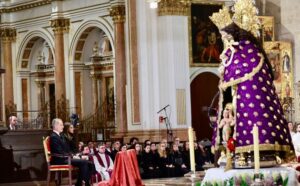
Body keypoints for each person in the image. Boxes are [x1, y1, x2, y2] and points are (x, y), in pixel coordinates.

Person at [212, 19, 294, 160]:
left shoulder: (247, 49)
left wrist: (227, 69)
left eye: (226, 36)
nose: (225, 40)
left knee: (256, 115)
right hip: (238, 96)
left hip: (253, 98)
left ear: (233, 34)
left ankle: (263, 151)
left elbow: (239, 67)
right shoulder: (239, 50)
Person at [49, 118, 91, 186]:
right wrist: (72, 156)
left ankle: (80, 184)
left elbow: (66, 149)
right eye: (61, 125)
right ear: (56, 126)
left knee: (87, 162)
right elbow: (59, 151)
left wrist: (74, 155)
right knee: (84, 162)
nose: (63, 126)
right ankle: (83, 184)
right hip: (60, 159)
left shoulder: (60, 135)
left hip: (64, 158)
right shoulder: (54, 136)